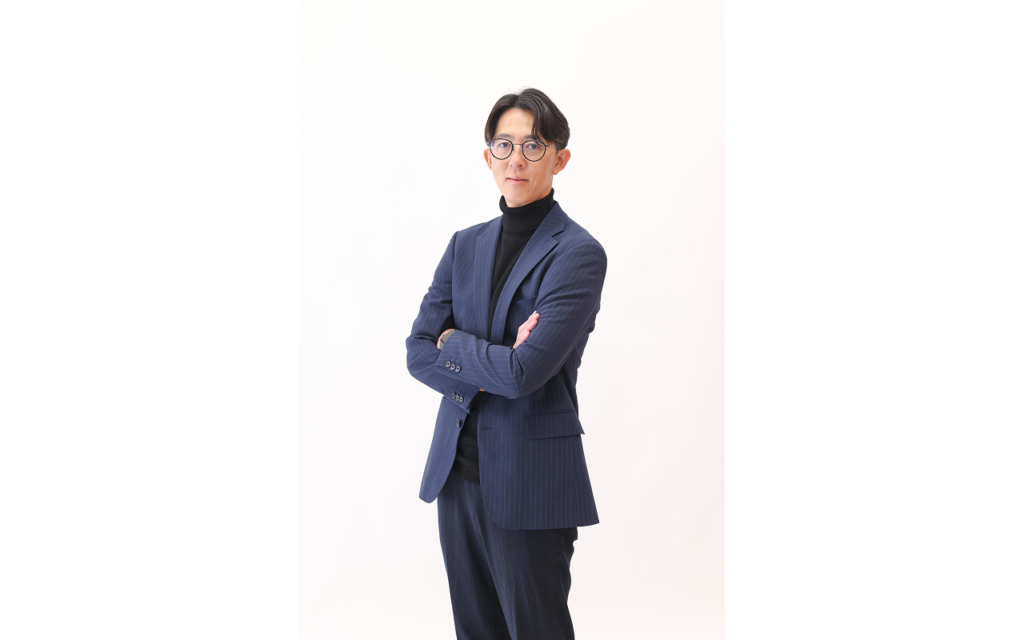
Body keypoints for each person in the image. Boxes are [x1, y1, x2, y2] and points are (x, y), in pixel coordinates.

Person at [405, 87, 607, 640]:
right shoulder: (464, 246)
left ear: (560, 159)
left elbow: (524, 375)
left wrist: (455, 341)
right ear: (488, 155)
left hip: (530, 481)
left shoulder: (578, 254)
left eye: (533, 145)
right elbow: (417, 351)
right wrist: (489, 356)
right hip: (457, 476)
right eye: (504, 144)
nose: (516, 158)